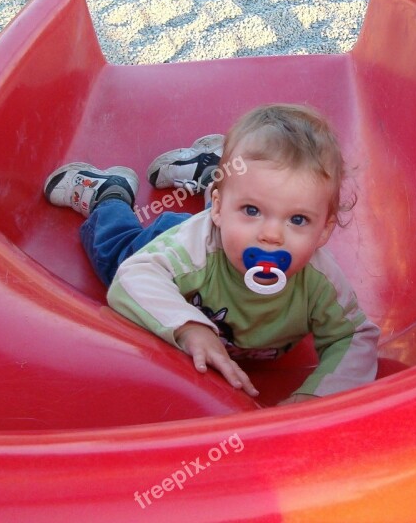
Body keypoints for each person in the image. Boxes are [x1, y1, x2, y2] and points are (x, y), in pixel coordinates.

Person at [44, 104, 380, 404]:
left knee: (244, 198)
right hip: (179, 238)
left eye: (297, 219)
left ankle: (211, 172)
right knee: (114, 255)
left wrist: (316, 398)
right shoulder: (193, 252)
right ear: (217, 209)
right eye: (253, 210)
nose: (271, 235)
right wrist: (190, 327)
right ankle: (107, 194)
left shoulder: (320, 281)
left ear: (324, 230)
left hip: (225, 217)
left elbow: (353, 337)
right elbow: (133, 276)